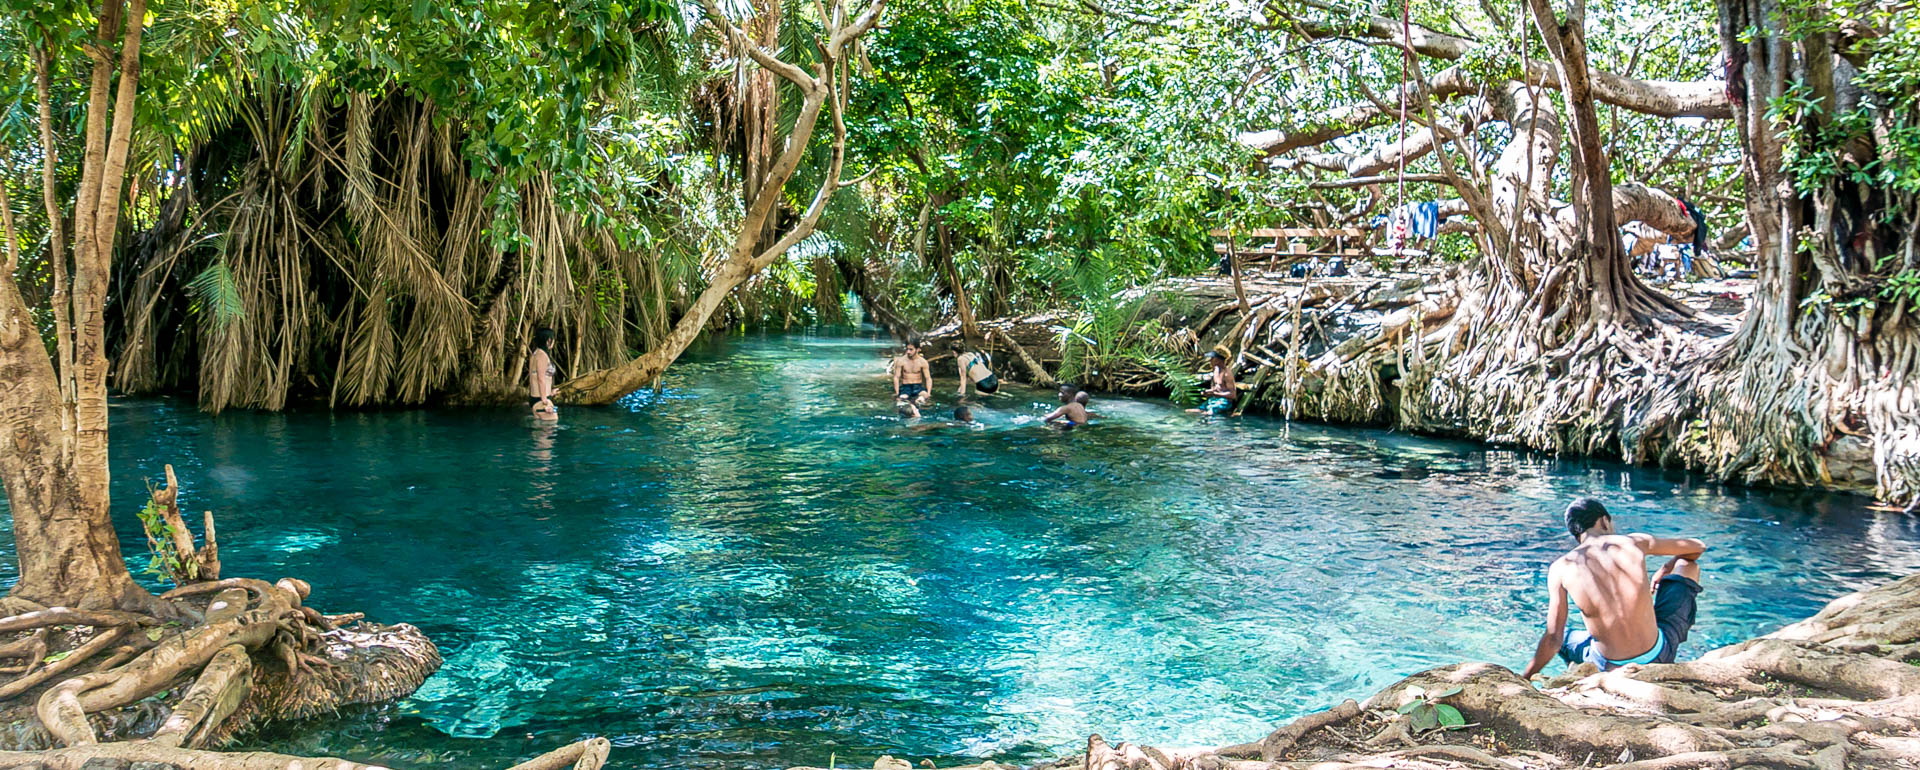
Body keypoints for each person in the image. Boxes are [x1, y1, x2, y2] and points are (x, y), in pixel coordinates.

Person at [1520, 498, 1707, 679]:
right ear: (1604, 521)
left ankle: (1582, 674)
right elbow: (1698, 547)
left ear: (1576, 533)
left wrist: (1525, 678)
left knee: (1566, 638)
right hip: (1659, 656)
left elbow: (1553, 638)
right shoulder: (1633, 542)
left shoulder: (1560, 568)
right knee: (1688, 565)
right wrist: (1666, 568)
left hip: (1607, 666)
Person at [1192, 345, 1237, 416]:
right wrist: (1207, 392)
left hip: (1224, 401)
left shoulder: (1227, 374)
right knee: (1192, 411)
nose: (1210, 360)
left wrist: (1215, 394)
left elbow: (1233, 395)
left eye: (1213, 358)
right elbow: (1217, 388)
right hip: (1214, 399)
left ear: (1219, 360)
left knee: (1207, 414)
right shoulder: (1216, 371)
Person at [527, 327, 560, 421]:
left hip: (536, 398)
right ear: (549, 340)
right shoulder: (542, 355)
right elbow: (540, 378)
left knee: (540, 429)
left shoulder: (535, 354)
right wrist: (545, 400)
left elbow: (533, 377)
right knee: (552, 425)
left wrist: (550, 393)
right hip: (541, 400)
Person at [892, 338, 933, 406]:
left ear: (918, 349)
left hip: (918, 387)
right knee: (902, 400)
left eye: (911, 349)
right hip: (906, 387)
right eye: (907, 349)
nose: (908, 352)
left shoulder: (923, 362)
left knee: (923, 398)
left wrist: (929, 393)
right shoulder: (901, 361)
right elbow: (896, 377)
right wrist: (897, 392)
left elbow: (928, 378)